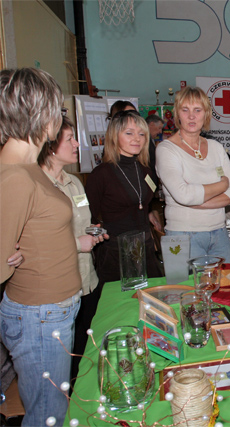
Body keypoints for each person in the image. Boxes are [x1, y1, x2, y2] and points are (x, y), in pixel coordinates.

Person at [0, 67, 82, 426]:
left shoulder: (26, 166)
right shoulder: (16, 174)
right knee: (48, 415)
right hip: (39, 316)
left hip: (49, 312)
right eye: (57, 109)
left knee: (53, 408)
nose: (59, 117)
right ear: (40, 111)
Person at [38, 117, 109, 381]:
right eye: (69, 139)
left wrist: (93, 232)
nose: (78, 143)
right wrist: (77, 243)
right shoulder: (38, 185)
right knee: (60, 361)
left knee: (83, 347)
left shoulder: (74, 182)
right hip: (57, 286)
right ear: (49, 145)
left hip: (86, 280)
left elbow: (81, 221)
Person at [155, 86, 230, 261]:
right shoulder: (166, 149)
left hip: (219, 233)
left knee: (227, 287)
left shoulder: (216, 147)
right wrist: (222, 185)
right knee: (185, 289)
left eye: (197, 110)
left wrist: (199, 202)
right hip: (182, 235)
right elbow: (184, 195)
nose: (191, 116)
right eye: (185, 110)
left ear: (206, 114)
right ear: (177, 114)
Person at [86, 110, 163, 284]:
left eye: (141, 134)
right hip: (115, 254)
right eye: (129, 133)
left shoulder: (145, 171)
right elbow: (89, 218)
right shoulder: (101, 174)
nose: (137, 139)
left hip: (146, 250)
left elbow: (144, 205)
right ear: (114, 136)